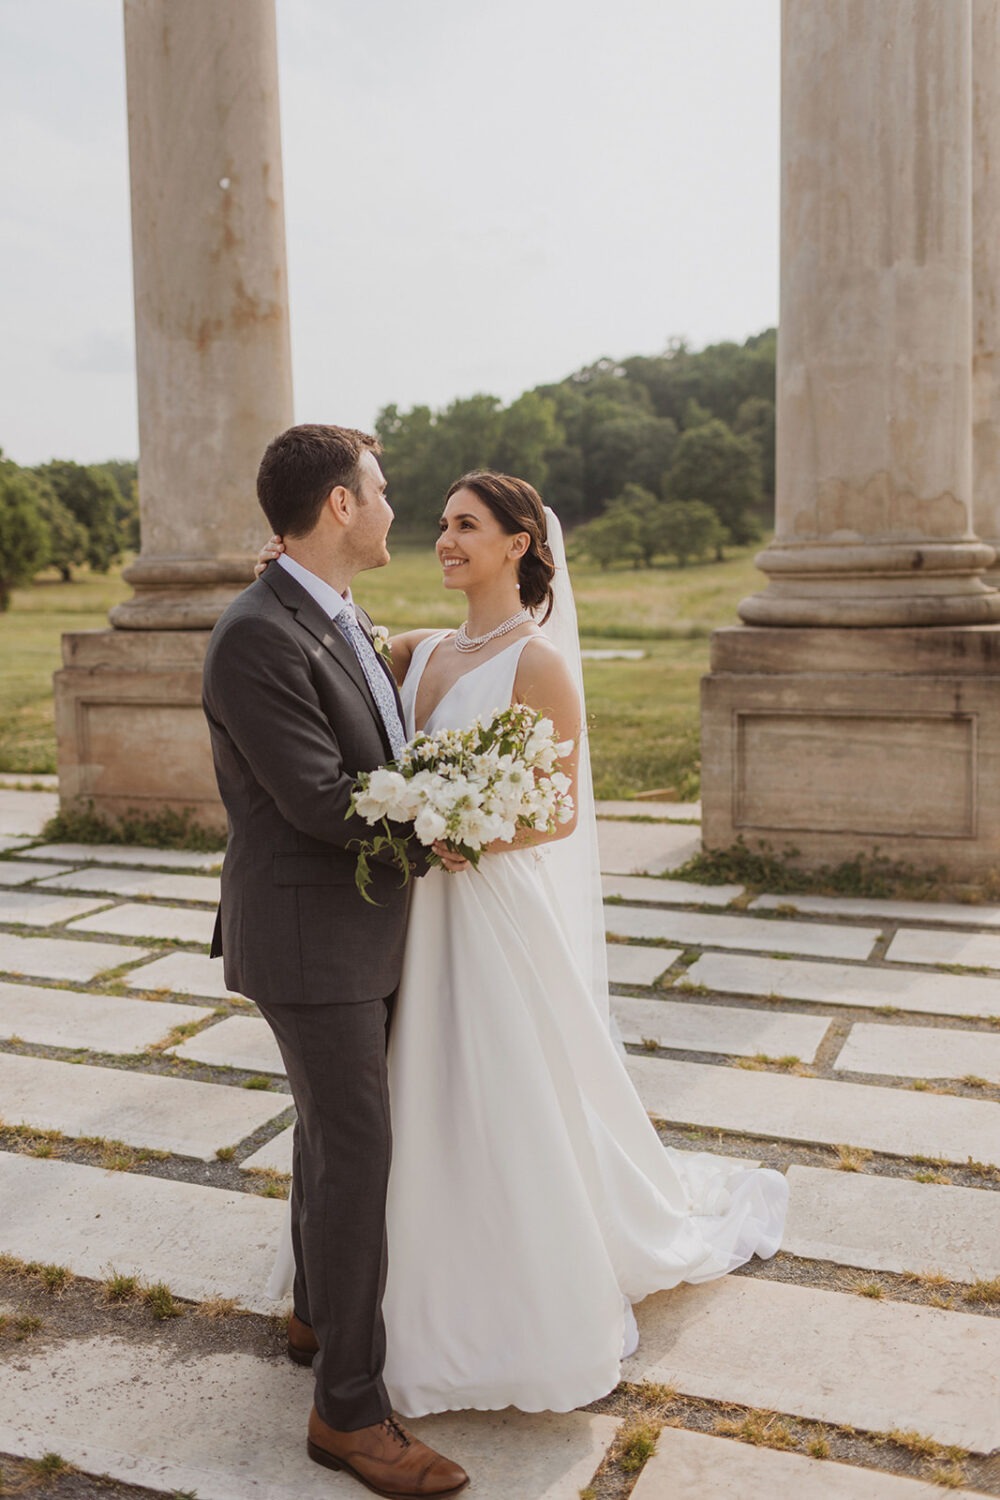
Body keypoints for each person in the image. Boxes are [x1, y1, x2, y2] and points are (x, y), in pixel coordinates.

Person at [256, 469, 788, 1419]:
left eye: (467, 526)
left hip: (486, 904)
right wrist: (287, 565)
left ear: (518, 545)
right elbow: (332, 636)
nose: (445, 539)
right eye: (441, 524)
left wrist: (465, 828)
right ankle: (384, 1289)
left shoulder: (538, 664)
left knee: (495, 1088)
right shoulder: (420, 653)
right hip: (412, 914)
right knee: (401, 1101)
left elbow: (561, 811)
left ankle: (503, 1292)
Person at [202, 424, 469, 1499]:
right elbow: (318, 799)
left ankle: (318, 1315)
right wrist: (446, 826)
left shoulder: (331, 609)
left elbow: (376, 742)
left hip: (353, 927)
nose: (397, 509)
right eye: (383, 490)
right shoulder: (256, 635)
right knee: (359, 1152)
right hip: (310, 937)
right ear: (339, 507)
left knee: (332, 1135)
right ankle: (349, 1416)